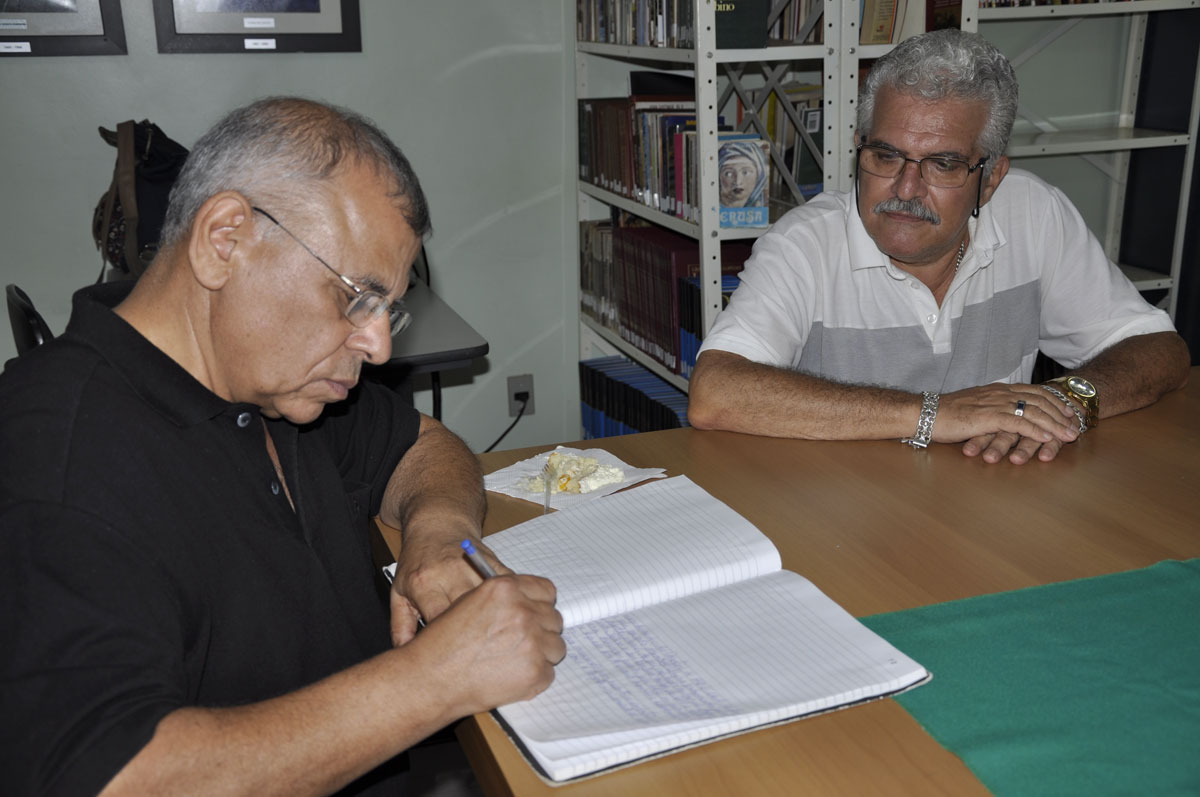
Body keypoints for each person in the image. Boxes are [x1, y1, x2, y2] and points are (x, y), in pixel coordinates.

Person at [0, 97, 565, 795]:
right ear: (225, 240)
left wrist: (438, 539)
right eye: (357, 296)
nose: (380, 344)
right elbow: (114, 776)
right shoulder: (60, 461)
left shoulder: (270, 381)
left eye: (389, 310)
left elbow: (425, 446)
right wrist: (437, 678)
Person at [688, 29, 1189, 465]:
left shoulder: (1036, 214)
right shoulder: (803, 245)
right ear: (860, 147)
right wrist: (934, 413)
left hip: (988, 499)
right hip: (838, 516)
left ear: (990, 178)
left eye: (943, 165)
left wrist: (1066, 401)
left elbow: (1160, 349)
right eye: (885, 156)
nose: (905, 189)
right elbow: (716, 393)